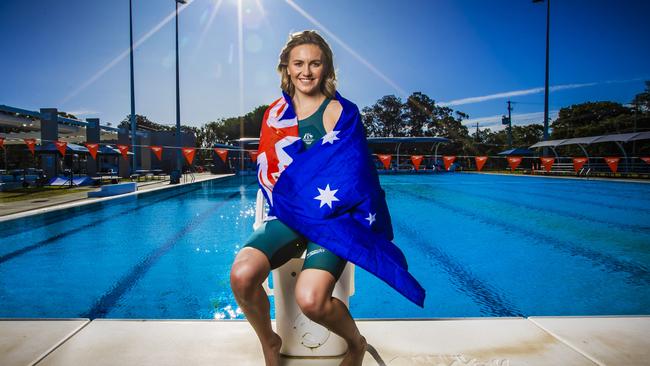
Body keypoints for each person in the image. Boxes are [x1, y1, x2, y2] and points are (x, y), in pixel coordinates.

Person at [230, 30, 368, 366]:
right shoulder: (275, 115)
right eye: (299, 63)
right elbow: (271, 171)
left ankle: (356, 344)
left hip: (330, 221)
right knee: (242, 276)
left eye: (315, 63)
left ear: (326, 68)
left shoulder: (341, 112)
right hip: (288, 217)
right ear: (287, 69)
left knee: (311, 300)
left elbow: (355, 174)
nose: (306, 71)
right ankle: (269, 343)